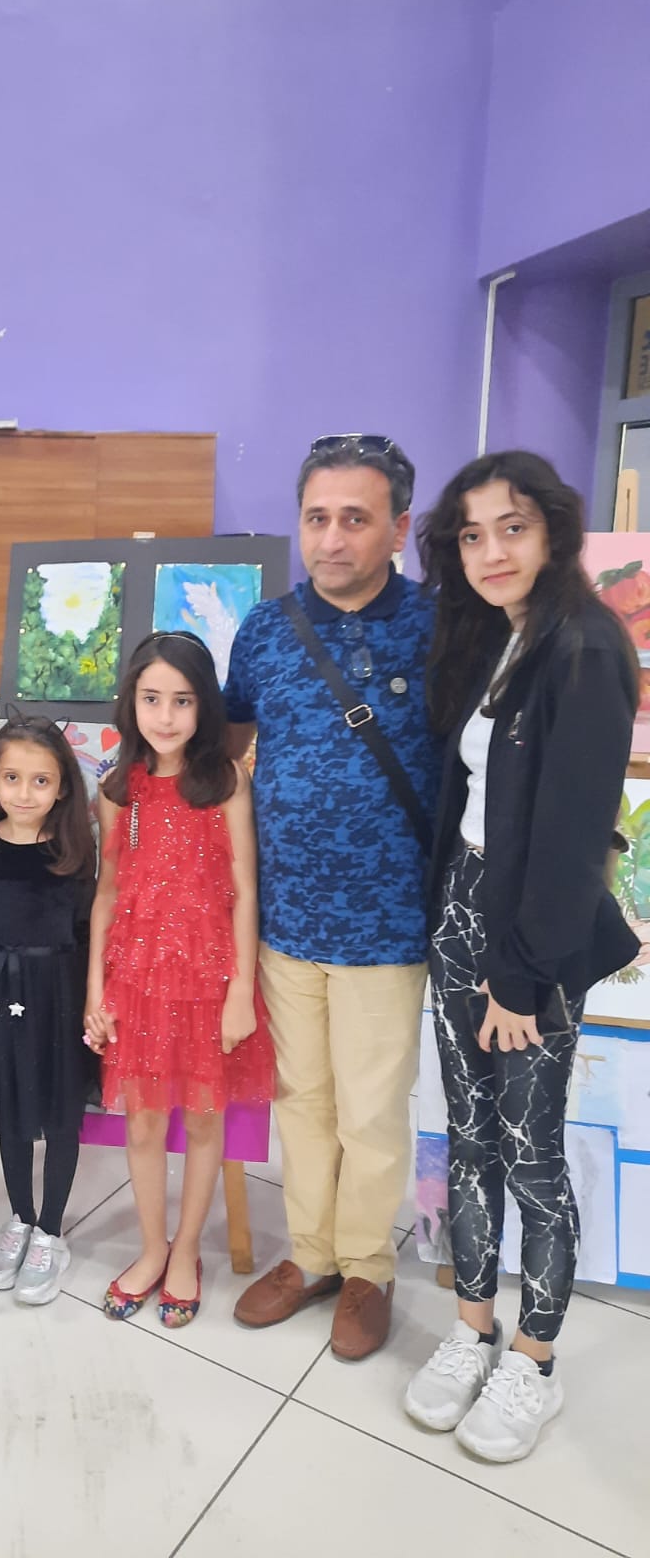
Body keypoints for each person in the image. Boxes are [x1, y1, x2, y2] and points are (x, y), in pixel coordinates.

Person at [404, 451, 637, 1462]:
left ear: (553, 530)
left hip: (530, 932)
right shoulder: (500, 635)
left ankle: (534, 1360)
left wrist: (523, 975)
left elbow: (575, 837)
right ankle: (473, 1329)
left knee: (531, 1154)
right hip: (464, 907)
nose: (491, 551)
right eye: (472, 534)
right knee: (468, 1137)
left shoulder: (585, 645)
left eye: (513, 527)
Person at [226, 434, 441, 1359]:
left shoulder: (440, 627)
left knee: (371, 1112)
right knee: (302, 1101)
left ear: (398, 527)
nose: (332, 538)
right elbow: (230, 747)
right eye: (317, 518)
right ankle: (311, 1254)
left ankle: (367, 1268)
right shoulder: (266, 630)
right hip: (285, 918)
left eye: (356, 518)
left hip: (389, 923)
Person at [85, 631, 273, 1328]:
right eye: (152, 699)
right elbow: (106, 893)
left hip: (209, 979)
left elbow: (245, 891)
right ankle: (151, 1247)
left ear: (205, 706)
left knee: (202, 1118)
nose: (165, 716)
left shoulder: (225, 782)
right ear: (131, 703)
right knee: (141, 1121)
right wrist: (96, 990)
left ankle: (188, 1249)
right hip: (136, 980)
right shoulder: (118, 788)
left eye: (183, 701)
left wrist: (239, 993)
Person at [0, 715, 96, 1305]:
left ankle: (51, 1230)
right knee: (8, 1109)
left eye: (41, 780)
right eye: (12, 777)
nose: (25, 793)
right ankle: (20, 1216)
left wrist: (91, 1003)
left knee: (59, 1116)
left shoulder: (74, 853)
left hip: (57, 999)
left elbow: (86, 934)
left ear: (61, 788)